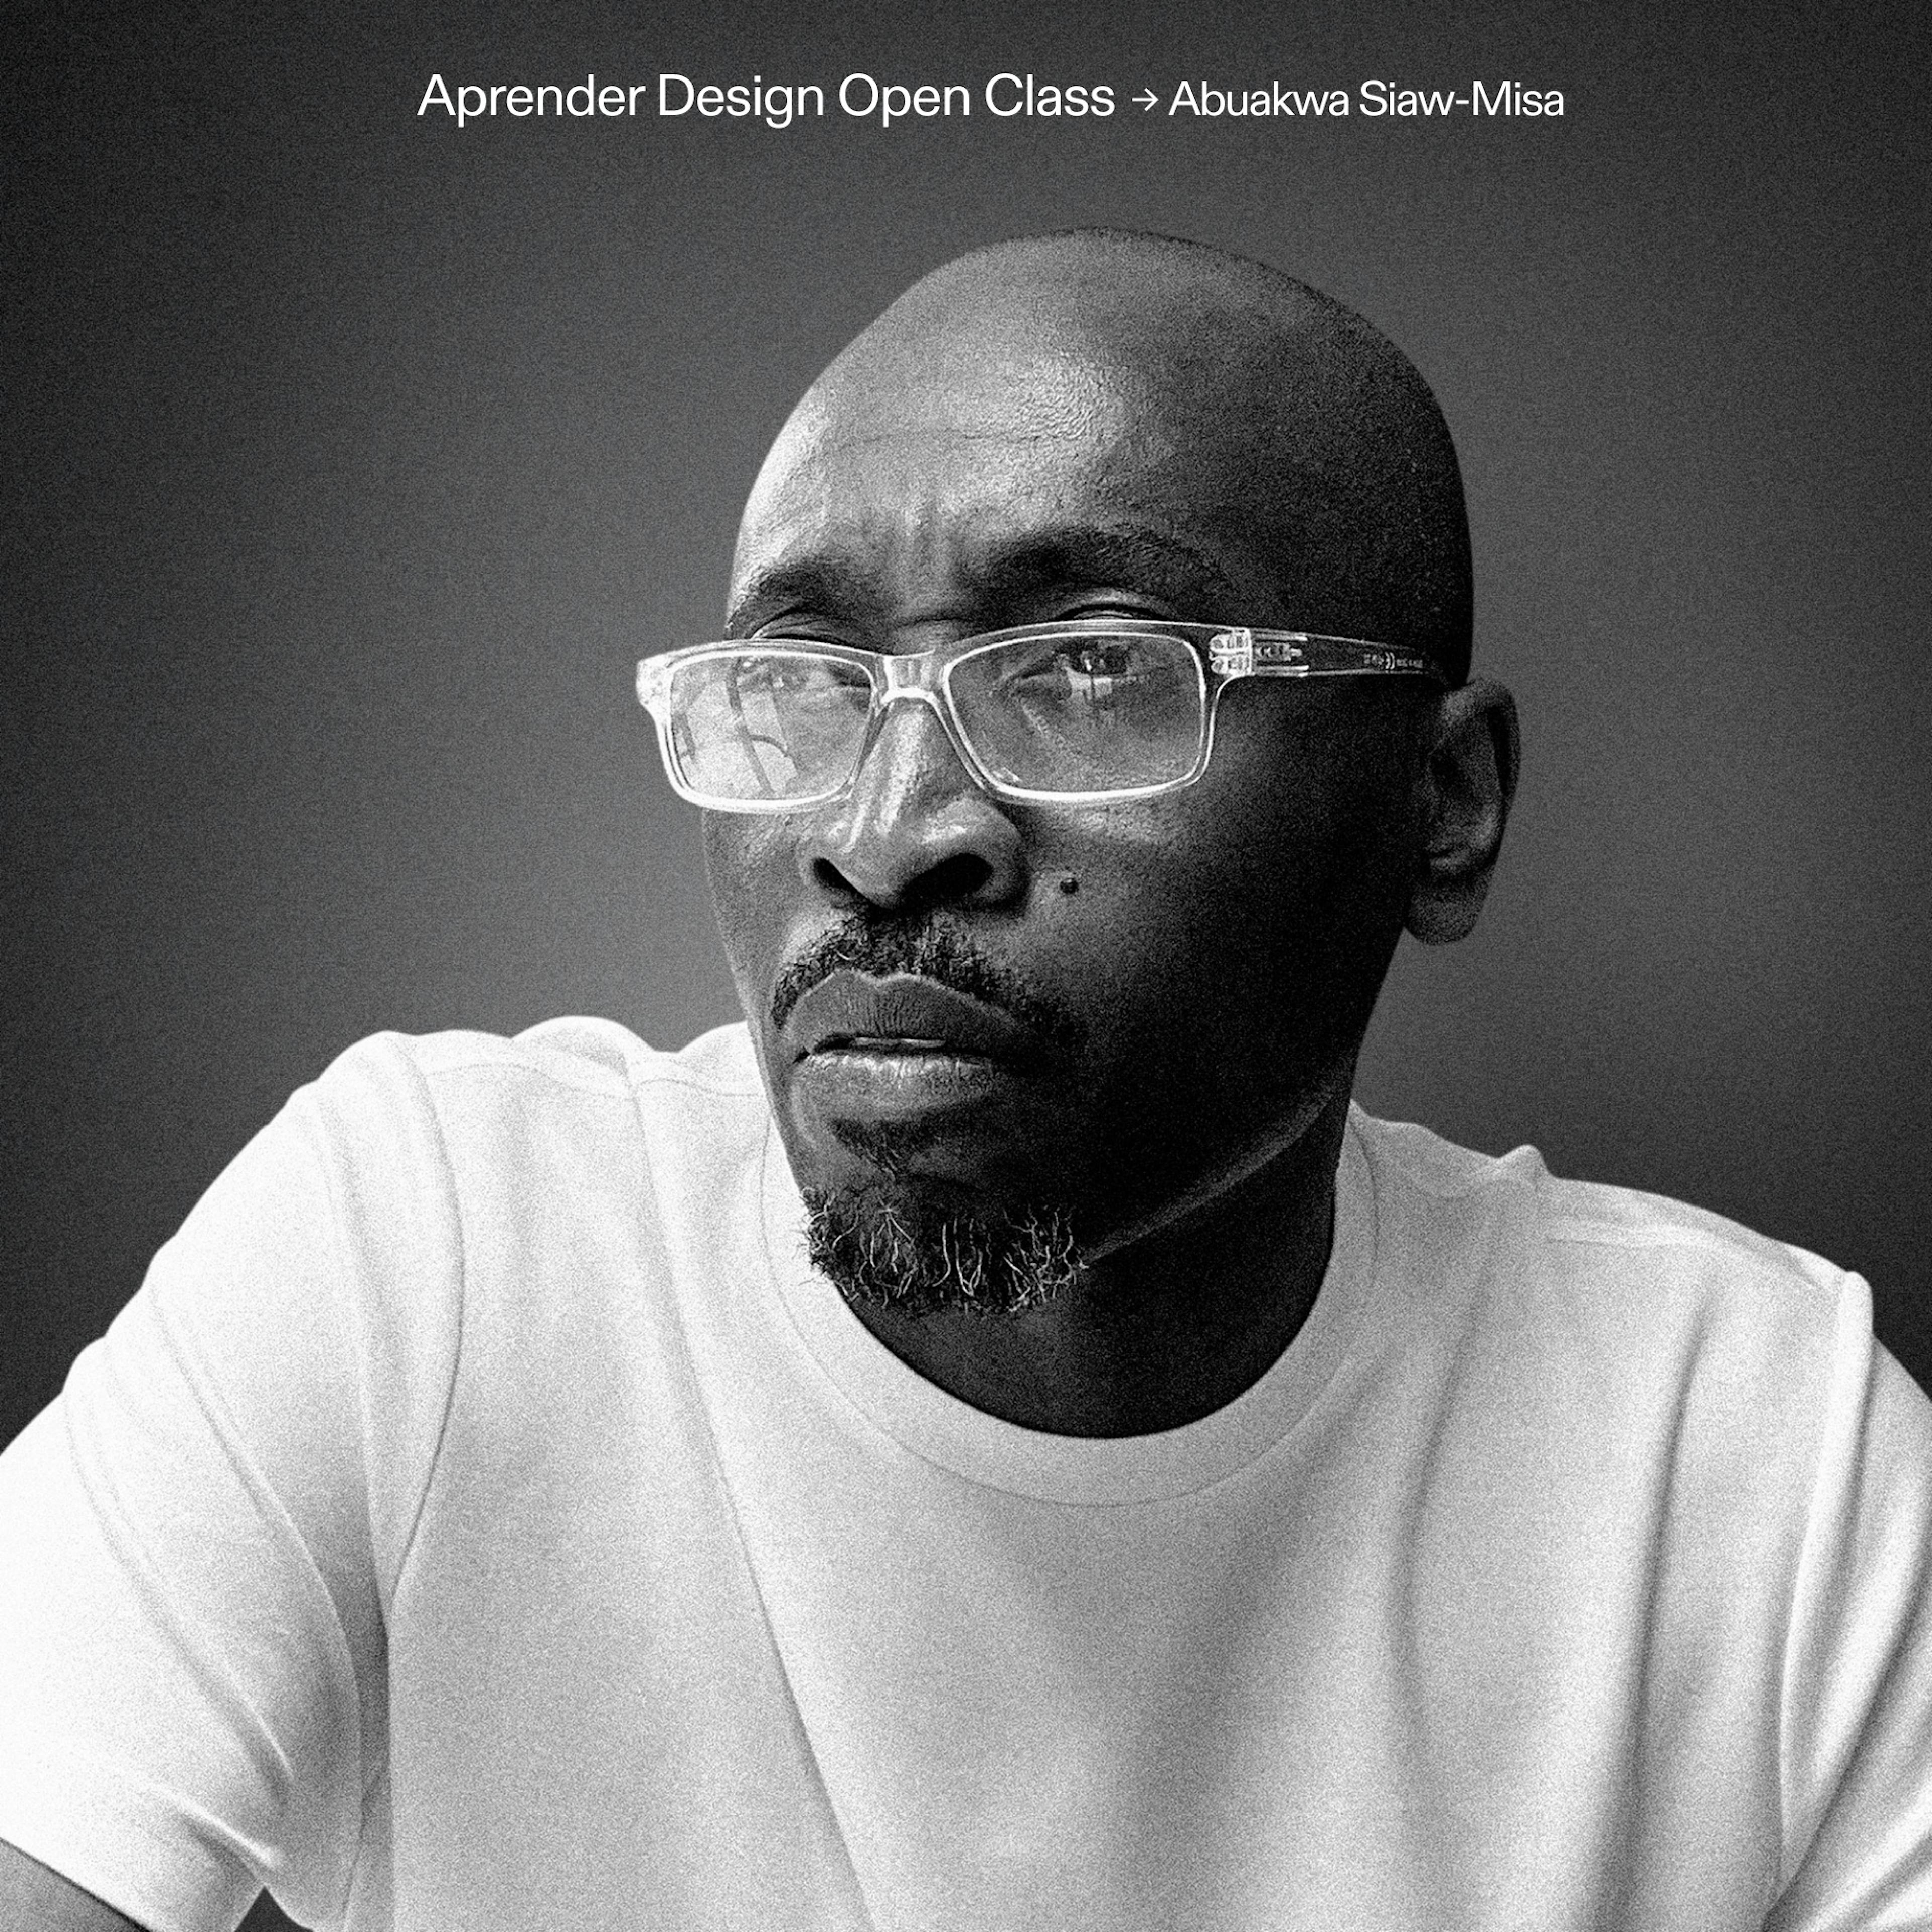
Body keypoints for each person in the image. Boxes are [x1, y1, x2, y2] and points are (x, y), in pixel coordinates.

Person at [2, 229, 1928, 1931]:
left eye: (1090, 671)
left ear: (1442, 805)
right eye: (804, 682)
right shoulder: (428, 1264)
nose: (886, 833)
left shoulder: (1758, 1460)